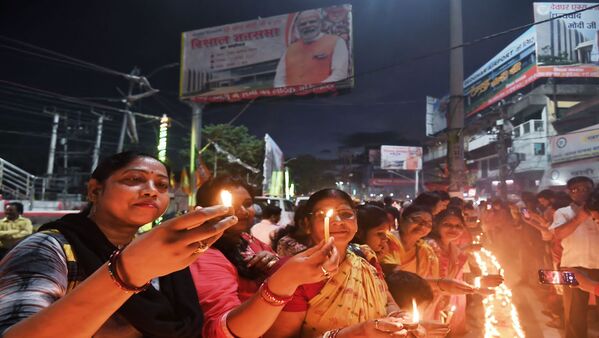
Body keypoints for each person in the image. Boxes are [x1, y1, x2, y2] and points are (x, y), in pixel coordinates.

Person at [0, 151, 239, 337]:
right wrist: (127, 273)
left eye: (162, 185)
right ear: (95, 190)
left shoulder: (162, 253)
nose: (151, 191)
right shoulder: (49, 249)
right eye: (135, 179)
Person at [189, 175, 340, 337]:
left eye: (247, 204)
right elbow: (221, 330)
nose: (242, 212)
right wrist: (285, 280)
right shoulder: (204, 255)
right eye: (230, 205)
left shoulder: (248, 240)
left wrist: (275, 263)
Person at [266, 189, 409, 338]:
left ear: (356, 221)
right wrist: (354, 333)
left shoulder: (366, 257)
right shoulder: (292, 272)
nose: (337, 221)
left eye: (346, 214)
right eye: (323, 215)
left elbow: (387, 302)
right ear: (307, 224)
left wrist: (400, 319)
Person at [549, 176, 599, 338]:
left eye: (586, 188)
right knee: (573, 313)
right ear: (569, 193)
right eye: (576, 189)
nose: (581, 192)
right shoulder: (562, 212)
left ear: (592, 190)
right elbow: (559, 233)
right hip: (571, 266)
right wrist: (580, 217)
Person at [273, 9, 349, 88]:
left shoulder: (337, 41)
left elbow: (340, 74)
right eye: (303, 24)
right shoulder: (289, 49)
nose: (307, 25)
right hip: (292, 98)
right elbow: (279, 80)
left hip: (324, 97)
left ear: (320, 24)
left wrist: (313, 89)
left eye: (312, 22)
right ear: (298, 28)